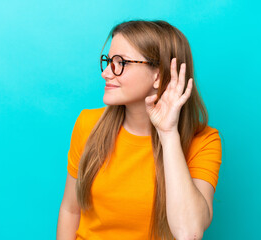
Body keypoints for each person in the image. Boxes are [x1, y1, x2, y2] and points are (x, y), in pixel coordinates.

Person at [56, 20, 222, 240]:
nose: (106, 73)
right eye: (107, 61)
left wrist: (168, 133)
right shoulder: (88, 124)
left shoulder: (204, 142)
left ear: (159, 76)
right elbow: (70, 210)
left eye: (120, 62)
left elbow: (189, 233)